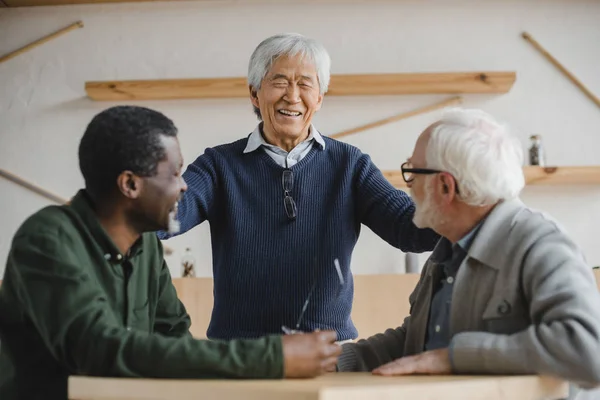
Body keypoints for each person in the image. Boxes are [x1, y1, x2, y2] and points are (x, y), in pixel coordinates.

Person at [0, 106, 341, 400]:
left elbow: (174, 335)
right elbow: (99, 349)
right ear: (130, 184)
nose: (183, 186)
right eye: (174, 173)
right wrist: (270, 357)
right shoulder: (47, 240)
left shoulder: (146, 242)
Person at [157, 32, 439, 341]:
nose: (292, 96)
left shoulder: (350, 165)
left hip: (328, 350)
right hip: (238, 353)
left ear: (319, 97)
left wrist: (462, 202)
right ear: (254, 94)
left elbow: (409, 227)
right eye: (279, 82)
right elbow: (166, 214)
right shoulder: (219, 165)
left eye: (305, 83)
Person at [336, 108, 600, 393]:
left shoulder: (541, 244)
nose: (408, 186)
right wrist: (337, 360)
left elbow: (587, 350)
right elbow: (416, 342)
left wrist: (453, 358)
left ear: (445, 186)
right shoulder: (446, 249)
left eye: (412, 172)